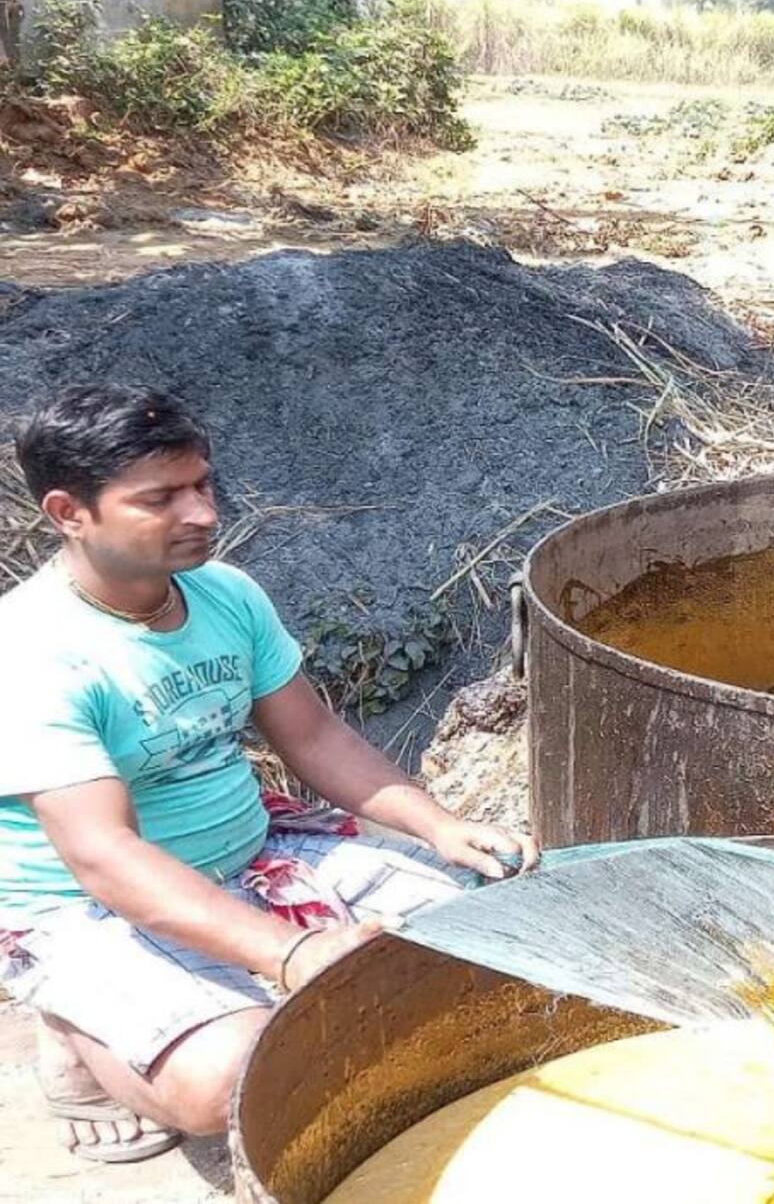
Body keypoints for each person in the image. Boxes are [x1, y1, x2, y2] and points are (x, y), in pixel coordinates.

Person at [0, 385, 537, 1164]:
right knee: (239, 1078)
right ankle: (71, 1029)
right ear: (68, 512)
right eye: (160, 498)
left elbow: (313, 735)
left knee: (493, 944)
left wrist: (440, 825)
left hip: (251, 851)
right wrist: (288, 952)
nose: (203, 512)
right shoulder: (30, 653)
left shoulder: (227, 596)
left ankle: (182, 990)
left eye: (202, 483)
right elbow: (104, 857)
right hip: (90, 904)